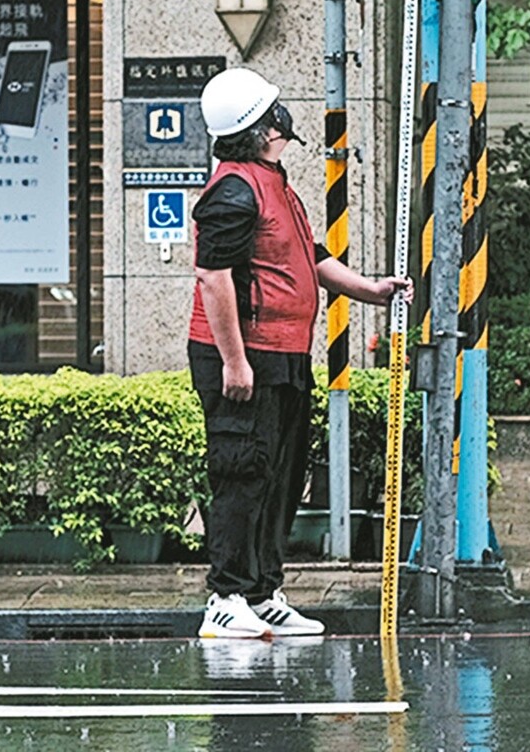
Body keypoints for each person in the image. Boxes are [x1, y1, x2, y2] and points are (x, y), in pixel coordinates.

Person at [189, 66, 411, 640]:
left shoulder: (275, 184)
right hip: (245, 356)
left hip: (284, 352)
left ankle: (261, 594)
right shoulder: (232, 191)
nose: (285, 119)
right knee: (241, 472)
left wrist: (372, 290)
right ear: (263, 129)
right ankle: (225, 597)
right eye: (275, 111)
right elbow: (213, 280)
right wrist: (235, 362)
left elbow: (308, 258)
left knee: (279, 475)